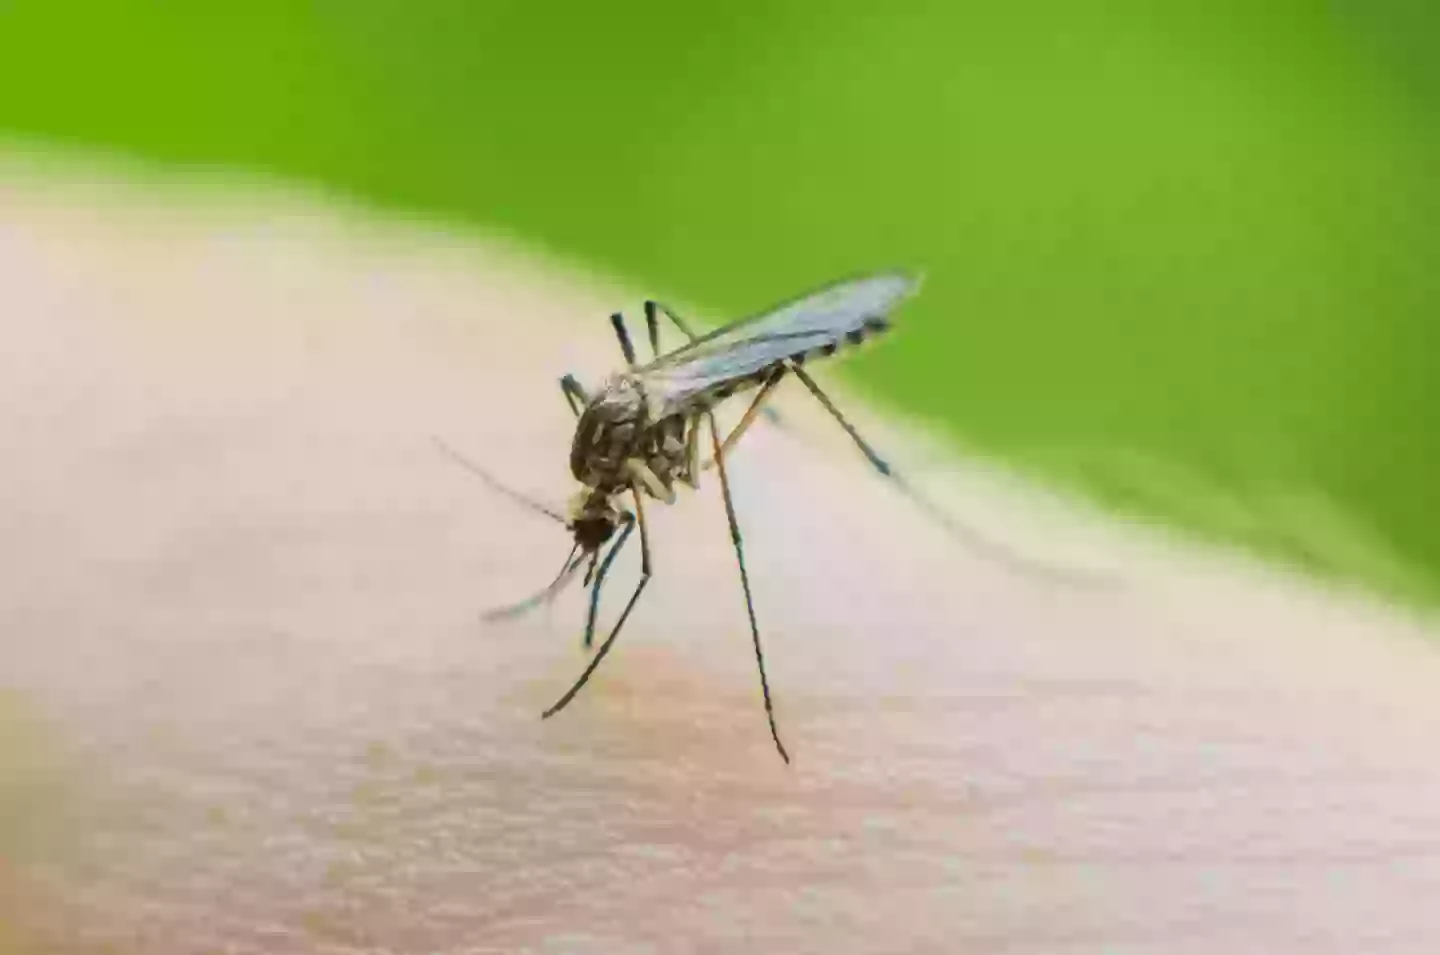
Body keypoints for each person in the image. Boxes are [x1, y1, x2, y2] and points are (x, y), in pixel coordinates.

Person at [3, 159, 1438, 953]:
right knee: (650, 372)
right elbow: (616, 487)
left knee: (739, 445)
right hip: (680, 383)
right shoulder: (603, 461)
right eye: (592, 530)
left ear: (600, 490)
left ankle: (897, 493)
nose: (598, 536)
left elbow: (641, 488)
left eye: (590, 530)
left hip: (747, 358)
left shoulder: (629, 449)